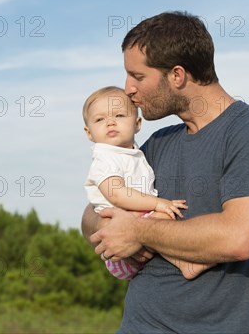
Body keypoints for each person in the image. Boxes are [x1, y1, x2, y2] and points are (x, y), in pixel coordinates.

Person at [82, 11, 249, 333]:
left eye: (138, 77)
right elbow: (92, 211)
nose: (127, 90)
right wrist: (109, 224)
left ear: (177, 75)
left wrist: (138, 232)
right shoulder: (158, 143)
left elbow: (238, 238)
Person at [83, 85, 213, 280]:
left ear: (137, 124)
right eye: (100, 119)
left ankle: (182, 262)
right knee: (164, 217)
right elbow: (116, 193)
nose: (110, 122)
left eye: (119, 116)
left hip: (128, 240)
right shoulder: (105, 158)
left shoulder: (133, 154)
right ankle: (185, 261)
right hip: (118, 251)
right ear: (89, 133)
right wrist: (157, 203)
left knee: (162, 221)